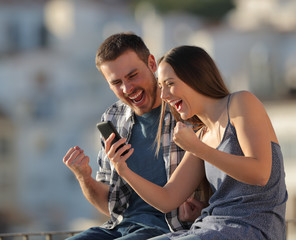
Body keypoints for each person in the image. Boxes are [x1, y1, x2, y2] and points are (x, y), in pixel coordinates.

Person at [105, 45, 288, 240]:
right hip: (210, 227)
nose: (164, 96)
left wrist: (198, 149)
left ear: (195, 77)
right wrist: (123, 170)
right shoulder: (202, 136)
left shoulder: (240, 102)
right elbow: (168, 199)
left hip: (253, 228)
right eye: (161, 87)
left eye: (170, 83)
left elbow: (260, 173)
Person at [62, 33, 209, 240]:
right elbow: (111, 206)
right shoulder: (113, 117)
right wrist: (84, 177)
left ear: (151, 63)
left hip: (168, 230)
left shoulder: (183, 109)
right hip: (119, 227)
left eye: (132, 76)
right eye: (116, 82)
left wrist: (204, 208)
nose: (127, 88)